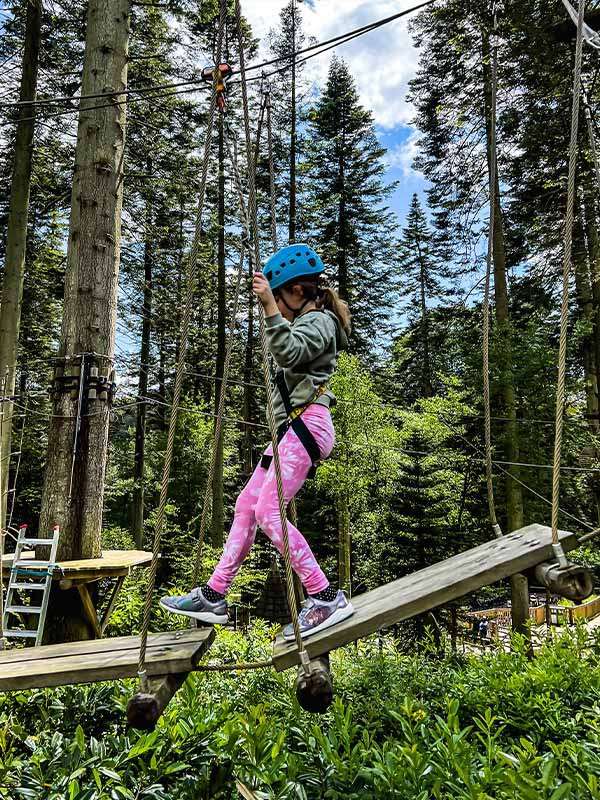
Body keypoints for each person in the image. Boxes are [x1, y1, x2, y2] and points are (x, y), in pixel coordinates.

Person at [161, 244, 355, 641]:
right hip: (290, 432)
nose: (279, 308)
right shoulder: (307, 318)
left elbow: (288, 352)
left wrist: (268, 307)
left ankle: (325, 595)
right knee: (247, 506)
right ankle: (215, 593)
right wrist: (271, 306)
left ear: (296, 292)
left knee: (269, 510)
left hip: (307, 426)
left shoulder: (320, 321)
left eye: (281, 299)